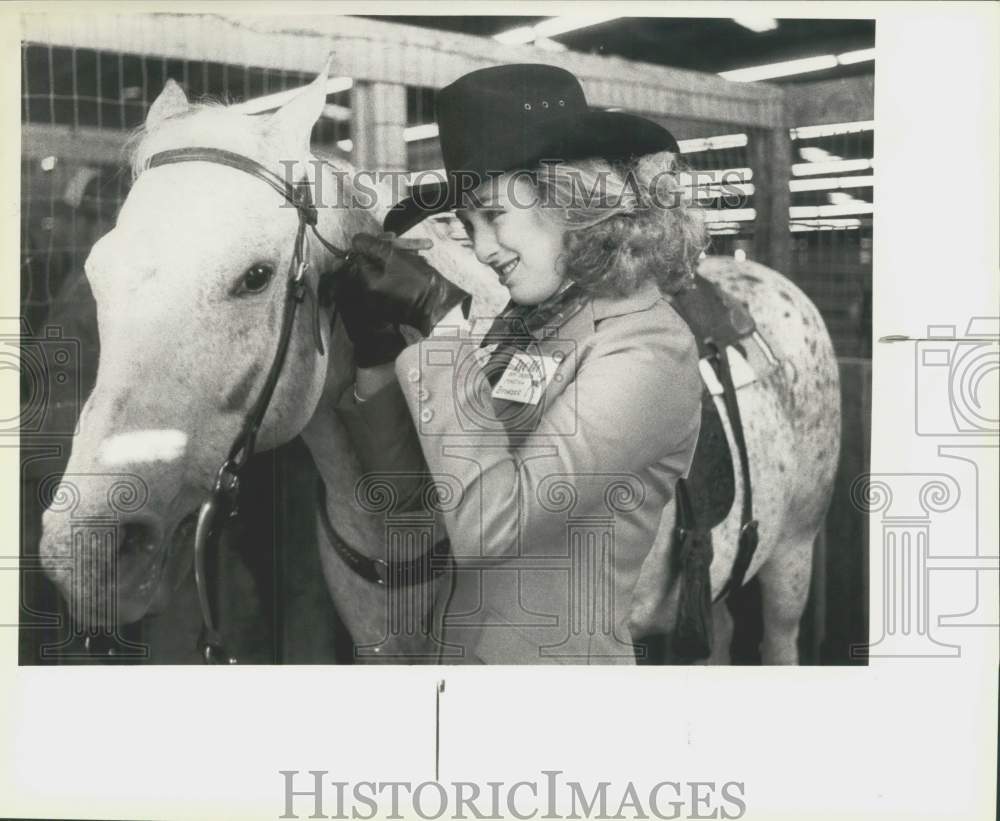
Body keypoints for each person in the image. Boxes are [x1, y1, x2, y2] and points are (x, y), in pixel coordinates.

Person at [333, 64, 705, 664]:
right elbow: (407, 494)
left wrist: (441, 325)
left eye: (495, 215)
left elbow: (488, 526)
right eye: (468, 223)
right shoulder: (528, 325)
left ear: (573, 200)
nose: (481, 250)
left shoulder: (648, 350)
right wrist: (379, 353)